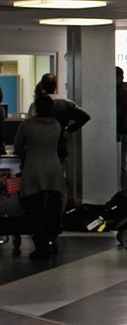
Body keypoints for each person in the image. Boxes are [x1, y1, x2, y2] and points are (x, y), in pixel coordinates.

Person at [15, 95, 66, 260]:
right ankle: (52, 238)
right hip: (53, 170)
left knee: (36, 210)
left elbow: (18, 147)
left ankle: (41, 247)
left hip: (33, 170)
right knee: (53, 208)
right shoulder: (56, 126)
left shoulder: (27, 125)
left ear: (35, 108)